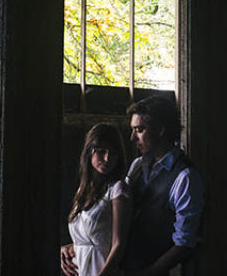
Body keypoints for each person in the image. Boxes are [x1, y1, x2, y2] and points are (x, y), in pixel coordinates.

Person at [120, 96, 203, 276]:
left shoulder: (185, 177)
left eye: (139, 130)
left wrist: (149, 273)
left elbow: (184, 242)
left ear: (160, 130)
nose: (132, 138)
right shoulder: (137, 166)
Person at [60, 123, 132, 276]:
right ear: (89, 152)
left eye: (113, 153)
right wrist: (67, 249)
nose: (107, 158)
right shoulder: (83, 190)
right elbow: (88, 237)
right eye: (101, 151)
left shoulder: (118, 189)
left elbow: (118, 244)